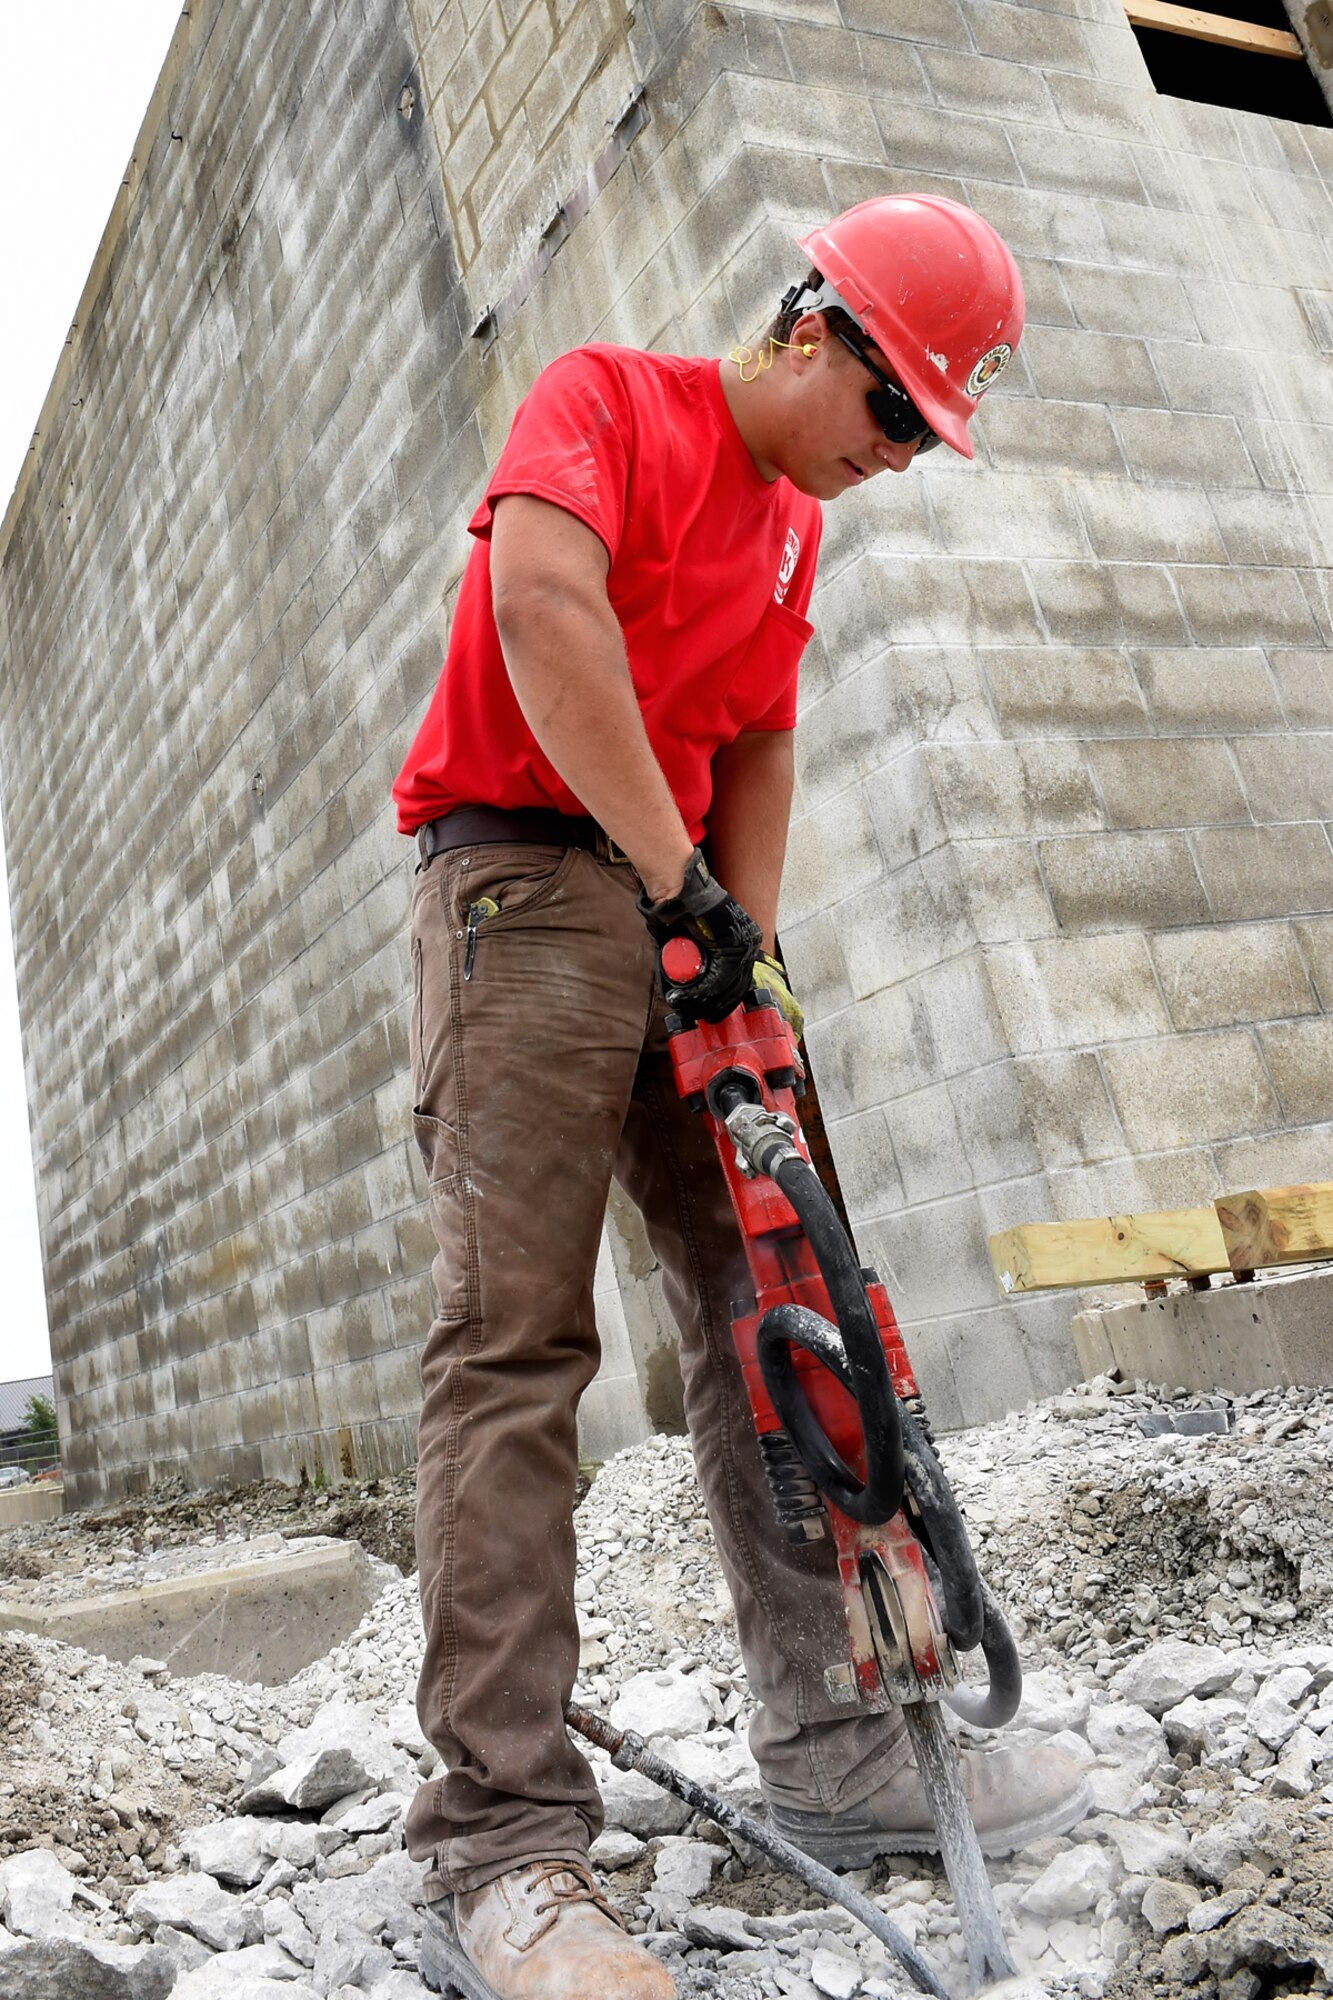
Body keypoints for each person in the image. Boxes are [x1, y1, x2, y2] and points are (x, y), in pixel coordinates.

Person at [391, 194, 1089, 2000]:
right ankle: (506, 1844)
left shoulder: (793, 526)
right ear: (808, 331)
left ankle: (849, 1744)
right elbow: (544, 615)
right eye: (894, 415)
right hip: (522, 887)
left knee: (783, 1311)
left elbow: (760, 729)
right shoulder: (606, 402)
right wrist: (671, 883)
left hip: (675, 905)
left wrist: (742, 945)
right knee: (515, 1344)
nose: (898, 459)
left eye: (928, 437)